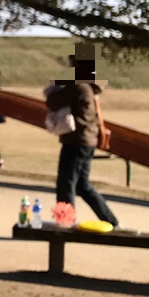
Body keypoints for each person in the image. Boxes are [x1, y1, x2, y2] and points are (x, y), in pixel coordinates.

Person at [45, 49, 118, 228]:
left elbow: (52, 101)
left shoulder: (78, 86)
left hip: (76, 140)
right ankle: (111, 221)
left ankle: (65, 221)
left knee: (66, 183)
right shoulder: (89, 87)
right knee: (82, 185)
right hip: (86, 140)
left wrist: (56, 85)